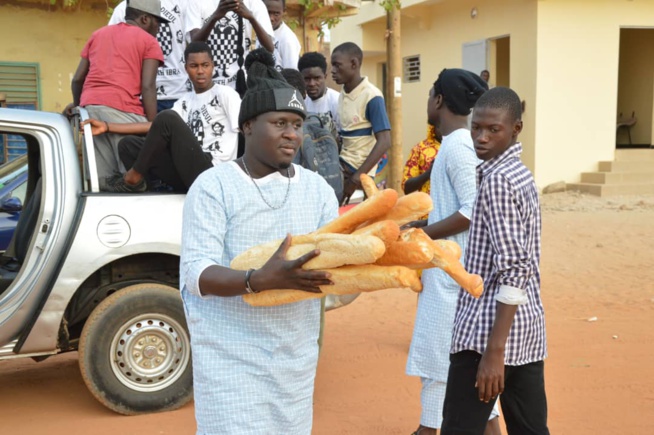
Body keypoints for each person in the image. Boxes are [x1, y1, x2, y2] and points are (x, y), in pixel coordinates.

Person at [179, 55, 338, 434]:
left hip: (293, 362)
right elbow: (195, 273)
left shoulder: (316, 190)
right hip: (231, 361)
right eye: (279, 123)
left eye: (297, 125)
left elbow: (334, 262)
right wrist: (256, 280)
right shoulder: (214, 186)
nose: (292, 134)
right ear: (248, 126)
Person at [441, 87, 548, 435]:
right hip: (527, 333)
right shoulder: (518, 173)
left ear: (516, 128)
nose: (481, 137)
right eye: (476, 128)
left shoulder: (498, 181)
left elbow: (516, 268)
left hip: (487, 337)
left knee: (459, 429)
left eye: (493, 130)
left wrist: (493, 352)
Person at [405, 69, 501, 435]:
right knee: (461, 384)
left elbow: (472, 209)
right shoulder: (455, 144)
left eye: (430, 94)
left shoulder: (459, 144)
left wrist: (424, 233)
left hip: (452, 282)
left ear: (440, 100)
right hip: (447, 274)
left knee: (439, 371)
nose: (428, 101)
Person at [84, 42, 241, 193]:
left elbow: (247, 132)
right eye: (194, 66)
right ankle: (145, 188)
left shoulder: (225, 94)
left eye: (205, 65)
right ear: (186, 68)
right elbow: (155, 126)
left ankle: (131, 178)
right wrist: (107, 126)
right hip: (187, 173)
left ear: (212, 66)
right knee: (128, 145)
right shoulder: (185, 101)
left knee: (167, 118)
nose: (200, 71)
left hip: (213, 171)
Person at [69, 0, 166, 188]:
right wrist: (152, 126)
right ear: (145, 18)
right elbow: (148, 86)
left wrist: (79, 107)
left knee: (102, 182)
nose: (159, 28)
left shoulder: (98, 34)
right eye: (157, 22)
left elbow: (77, 80)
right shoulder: (149, 42)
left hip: (90, 111)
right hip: (124, 113)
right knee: (132, 180)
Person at [330, 42, 391, 204]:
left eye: (337, 65)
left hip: (361, 169)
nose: (332, 71)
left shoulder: (371, 96)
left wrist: (357, 177)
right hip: (344, 162)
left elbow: (385, 141)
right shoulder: (342, 95)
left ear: (354, 64)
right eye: (332, 66)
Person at [109, 0, 190, 112]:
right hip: (138, 96)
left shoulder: (182, 4)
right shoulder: (124, 8)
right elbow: (114, 47)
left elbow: (195, 43)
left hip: (178, 91)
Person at [186, 0, 274, 93]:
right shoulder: (196, 2)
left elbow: (269, 47)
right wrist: (215, 17)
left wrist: (251, 18)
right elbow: (194, 45)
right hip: (206, 85)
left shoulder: (254, 3)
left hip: (240, 84)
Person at [298, 51, 341, 134]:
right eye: (307, 79)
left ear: (325, 77)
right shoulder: (300, 103)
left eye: (317, 78)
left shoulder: (337, 101)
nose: (312, 84)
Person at [259, 0, 301, 71]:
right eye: (267, 12)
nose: (271, 18)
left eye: (276, 13)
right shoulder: (261, 31)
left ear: (284, 11)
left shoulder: (287, 40)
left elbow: (292, 74)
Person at [402, 124, 441, 195]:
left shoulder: (461, 148)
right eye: (439, 123)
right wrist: (428, 173)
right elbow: (406, 188)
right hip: (428, 204)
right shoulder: (419, 149)